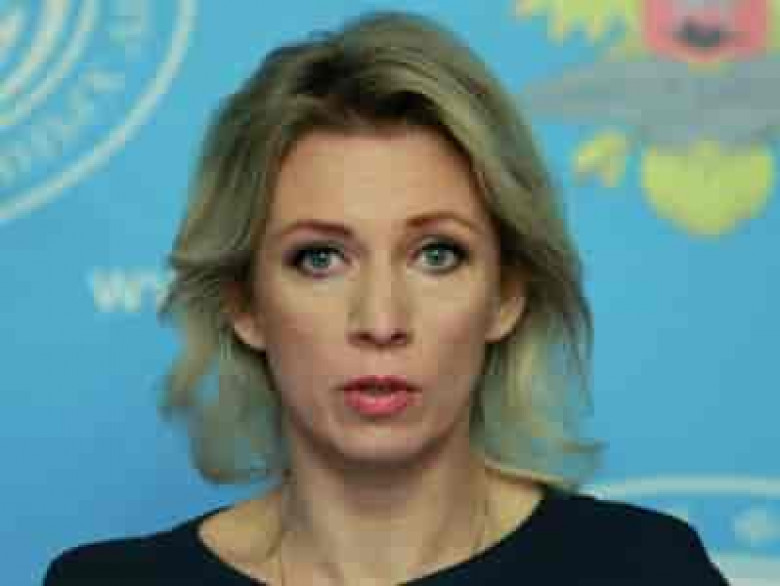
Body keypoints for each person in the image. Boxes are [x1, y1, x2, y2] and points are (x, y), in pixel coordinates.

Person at [43, 10, 730, 586]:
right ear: (245, 303)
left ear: (506, 295)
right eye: (320, 258)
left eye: (437, 255)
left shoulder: (642, 570)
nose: (380, 321)